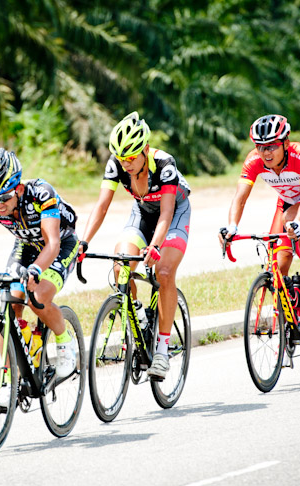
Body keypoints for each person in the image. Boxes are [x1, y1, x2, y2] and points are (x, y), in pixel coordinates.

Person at [0, 148, 80, 404]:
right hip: (26, 245)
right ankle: (10, 382)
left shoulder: (42, 194)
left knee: (37, 297)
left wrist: (37, 270)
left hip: (60, 244)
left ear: (18, 189)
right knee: (9, 301)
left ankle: (66, 344)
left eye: (5, 198)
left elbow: (52, 244)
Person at [78, 112, 192, 381]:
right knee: (121, 265)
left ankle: (162, 351)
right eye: (121, 157)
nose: (125, 163)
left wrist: (154, 246)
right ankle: (139, 314)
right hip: (141, 212)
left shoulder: (164, 163)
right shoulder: (116, 165)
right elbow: (102, 206)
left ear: (146, 149)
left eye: (131, 157)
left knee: (163, 273)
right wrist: (84, 242)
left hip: (174, 213)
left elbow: (165, 214)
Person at [218, 114, 300, 315]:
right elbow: (240, 197)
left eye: (272, 146)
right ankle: (287, 323)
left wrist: (297, 223)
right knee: (277, 266)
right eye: (260, 147)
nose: (266, 153)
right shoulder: (254, 160)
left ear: (285, 143)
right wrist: (232, 227)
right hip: (287, 203)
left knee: (291, 220)